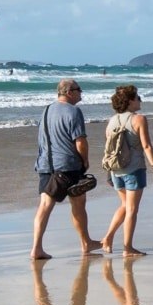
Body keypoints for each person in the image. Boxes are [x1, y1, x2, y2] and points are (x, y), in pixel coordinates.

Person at [31, 78, 100, 261]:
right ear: (69, 92)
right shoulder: (74, 111)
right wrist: (85, 160)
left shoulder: (46, 110)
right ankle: (83, 243)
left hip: (45, 164)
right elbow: (80, 141)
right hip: (67, 166)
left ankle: (83, 242)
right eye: (79, 89)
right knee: (75, 204)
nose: (81, 93)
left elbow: (42, 139)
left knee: (49, 206)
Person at [100, 84, 153, 257]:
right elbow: (147, 146)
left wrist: (109, 173)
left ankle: (108, 237)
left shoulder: (111, 121)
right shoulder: (139, 119)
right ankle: (127, 248)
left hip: (115, 172)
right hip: (134, 170)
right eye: (137, 98)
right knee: (132, 210)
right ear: (129, 102)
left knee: (125, 205)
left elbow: (110, 149)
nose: (140, 100)